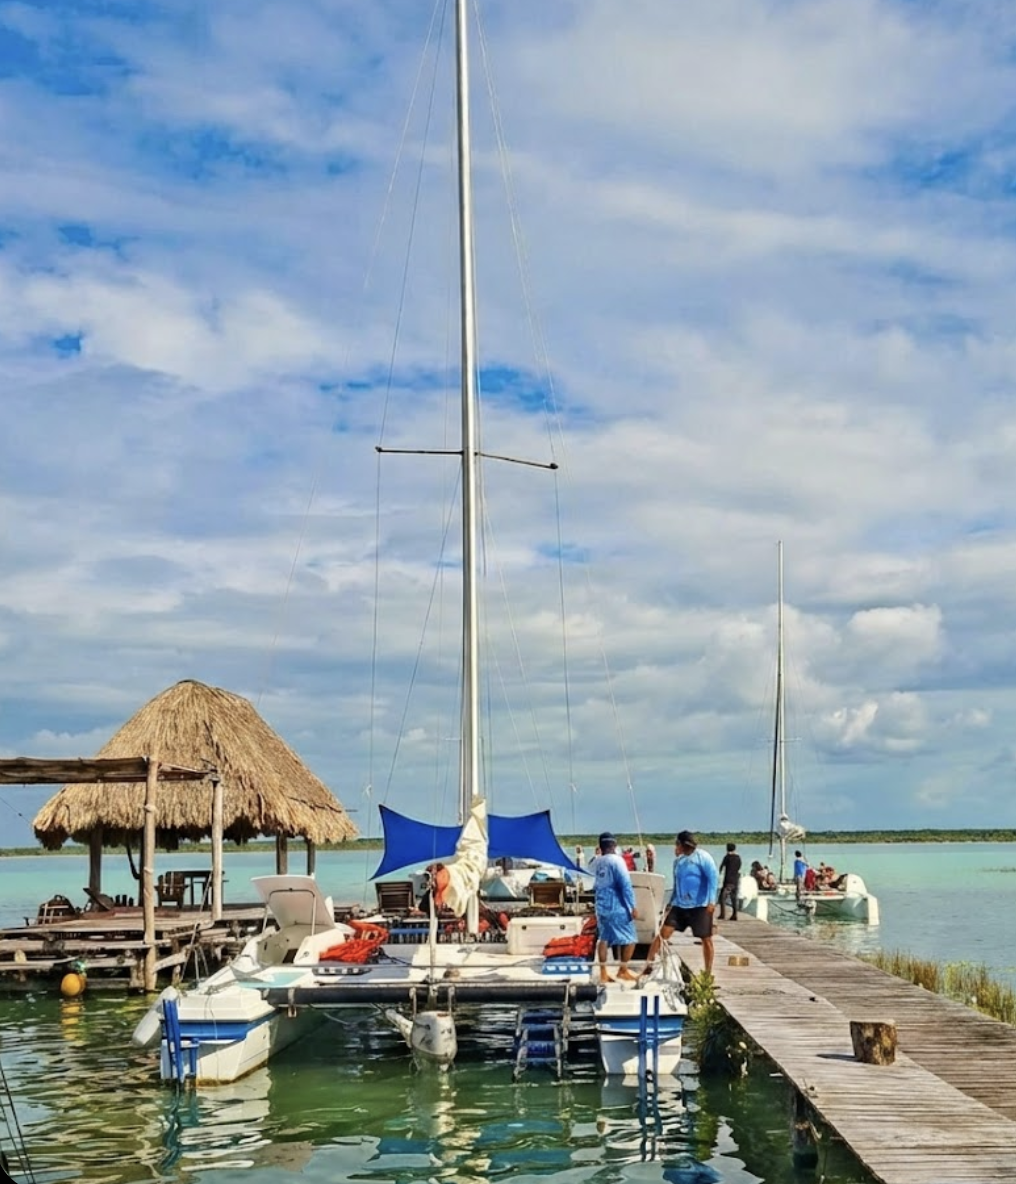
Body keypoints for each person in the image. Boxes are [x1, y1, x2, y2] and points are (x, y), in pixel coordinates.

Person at [642, 830, 719, 977]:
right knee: (663, 934)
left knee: (706, 939)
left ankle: (708, 973)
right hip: (680, 905)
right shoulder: (678, 862)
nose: (676, 847)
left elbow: (713, 879)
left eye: (678, 844)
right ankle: (648, 964)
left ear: (684, 845)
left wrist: (712, 901)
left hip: (700, 906)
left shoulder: (703, 857)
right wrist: (670, 903)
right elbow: (677, 884)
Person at [593, 831, 639, 983]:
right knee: (631, 939)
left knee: (603, 939)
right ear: (614, 845)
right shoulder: (617, 861)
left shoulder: (598, 862)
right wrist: (632, 906)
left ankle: (603, 973)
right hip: (617, 907)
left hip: (601, 906)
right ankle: (623, 970)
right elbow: (625, 885)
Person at [718, 841, 741, 920]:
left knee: (722, 897)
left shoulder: (727, 857)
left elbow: (721, 867)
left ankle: (722, 914)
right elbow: (739, 867)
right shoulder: (738, 858)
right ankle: (734, 914)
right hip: (735, 879)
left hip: (728, 880)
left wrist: (718, 875)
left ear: (727, 849)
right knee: (734, 898)